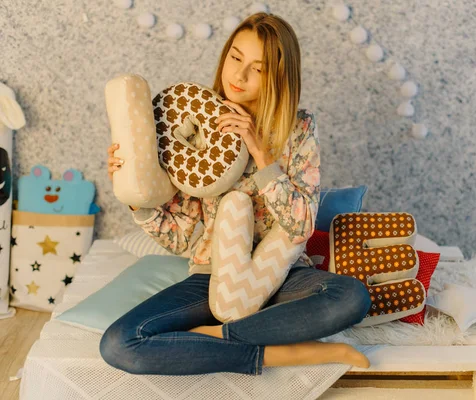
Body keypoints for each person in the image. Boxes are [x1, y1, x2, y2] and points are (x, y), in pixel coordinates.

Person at [101, 12, 371, 376]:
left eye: (258, 69)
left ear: (278, 76)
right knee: (120, 343)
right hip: (212, 278)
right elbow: (184, 237)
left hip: (283, 274)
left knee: (352, 298)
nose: (240, 76)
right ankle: (273, 353)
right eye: (235, 57)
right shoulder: (197, 121)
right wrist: (136, 196)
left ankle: (219, 335)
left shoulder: (299, 128)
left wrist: (262, 156)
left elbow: (301, 225)